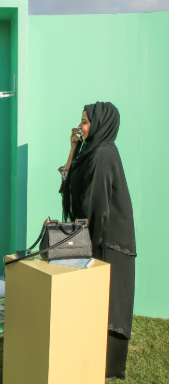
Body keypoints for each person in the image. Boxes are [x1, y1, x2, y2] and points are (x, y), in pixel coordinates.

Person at [60, 102, 136, 379]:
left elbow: (96, 205)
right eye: (81, 121)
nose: (80, 126)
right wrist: (73, 149)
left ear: (100, 124)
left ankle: (108, 367)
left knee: (110, 303)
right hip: (96, 235)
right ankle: (91, 359)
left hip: (108, 240)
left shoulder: (103, 154)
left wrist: (84, 244)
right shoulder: (90, 152)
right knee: (96, 302)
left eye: (85, 121)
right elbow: (69, 187)